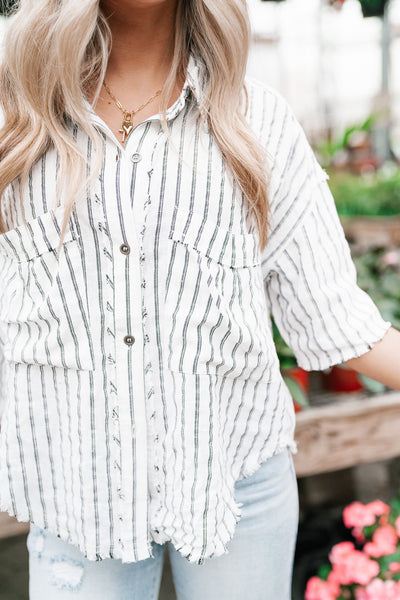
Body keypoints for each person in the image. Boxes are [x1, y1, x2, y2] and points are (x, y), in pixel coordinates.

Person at [0, 0, 399, 599]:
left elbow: (335, 317)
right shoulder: (16, 119)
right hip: (77, 496)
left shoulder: (256, 122)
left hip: (236, 482)